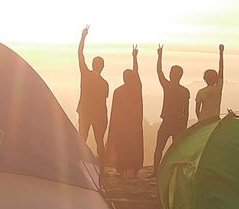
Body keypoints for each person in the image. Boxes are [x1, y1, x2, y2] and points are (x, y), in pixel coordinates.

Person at [105, 45, 143, 179]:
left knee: (122, 148)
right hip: (133, 126)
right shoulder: (136, 89)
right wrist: (134, 57)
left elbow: (115, 112)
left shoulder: (119, 91)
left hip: (121, 126)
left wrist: (134, 58)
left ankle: (121, 170)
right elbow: (136, 73)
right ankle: (131, 169)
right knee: (132, 148)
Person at [152, 44, 190, 170]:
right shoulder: (185, 91)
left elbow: (159, 72)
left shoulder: (168, 86)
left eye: (170, 72)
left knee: (159, 147)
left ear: (173, 75)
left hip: (167, 122)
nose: (169, 74)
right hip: (179, 123)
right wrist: (184, 126)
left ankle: (155, 171)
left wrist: (159, 56)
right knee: (177, 150)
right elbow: (187, 110)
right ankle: (175, 171)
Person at [77, 25, 109, 162]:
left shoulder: (86, 74)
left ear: (93, 64)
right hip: (98, 114)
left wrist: (83, 37)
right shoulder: (104, 83)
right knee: (99, 141)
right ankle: (102, 165)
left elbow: (80, 53)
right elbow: (104, 101)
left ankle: (78, 161)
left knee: (81, 138)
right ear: (102, 67)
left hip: (85, 111)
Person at [195, 44, 225, 123]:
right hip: (214, 122)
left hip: (203, 120)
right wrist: (221, 53)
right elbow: (221, 70)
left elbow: (197, 110)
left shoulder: (200, 92)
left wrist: (200, 121)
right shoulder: (218, 89)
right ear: (216, 79)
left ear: (204, 79)